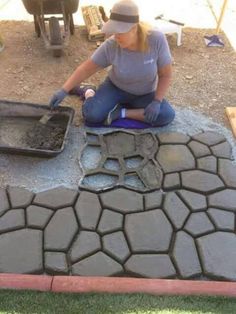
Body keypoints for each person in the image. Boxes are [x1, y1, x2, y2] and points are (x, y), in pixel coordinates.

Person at [49, 0, 175, 127]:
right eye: (114, 31)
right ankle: (88, 91)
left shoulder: (156, 40)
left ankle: (121, 113)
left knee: (166, 115)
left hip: (145, 93)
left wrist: (157, 101)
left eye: (120, 31)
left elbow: (165, 75)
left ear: (134, 28)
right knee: (92, 115)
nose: (116, 36)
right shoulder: (112, 44)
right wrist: (64, 90)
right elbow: (86, 69)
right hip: (116, 88)